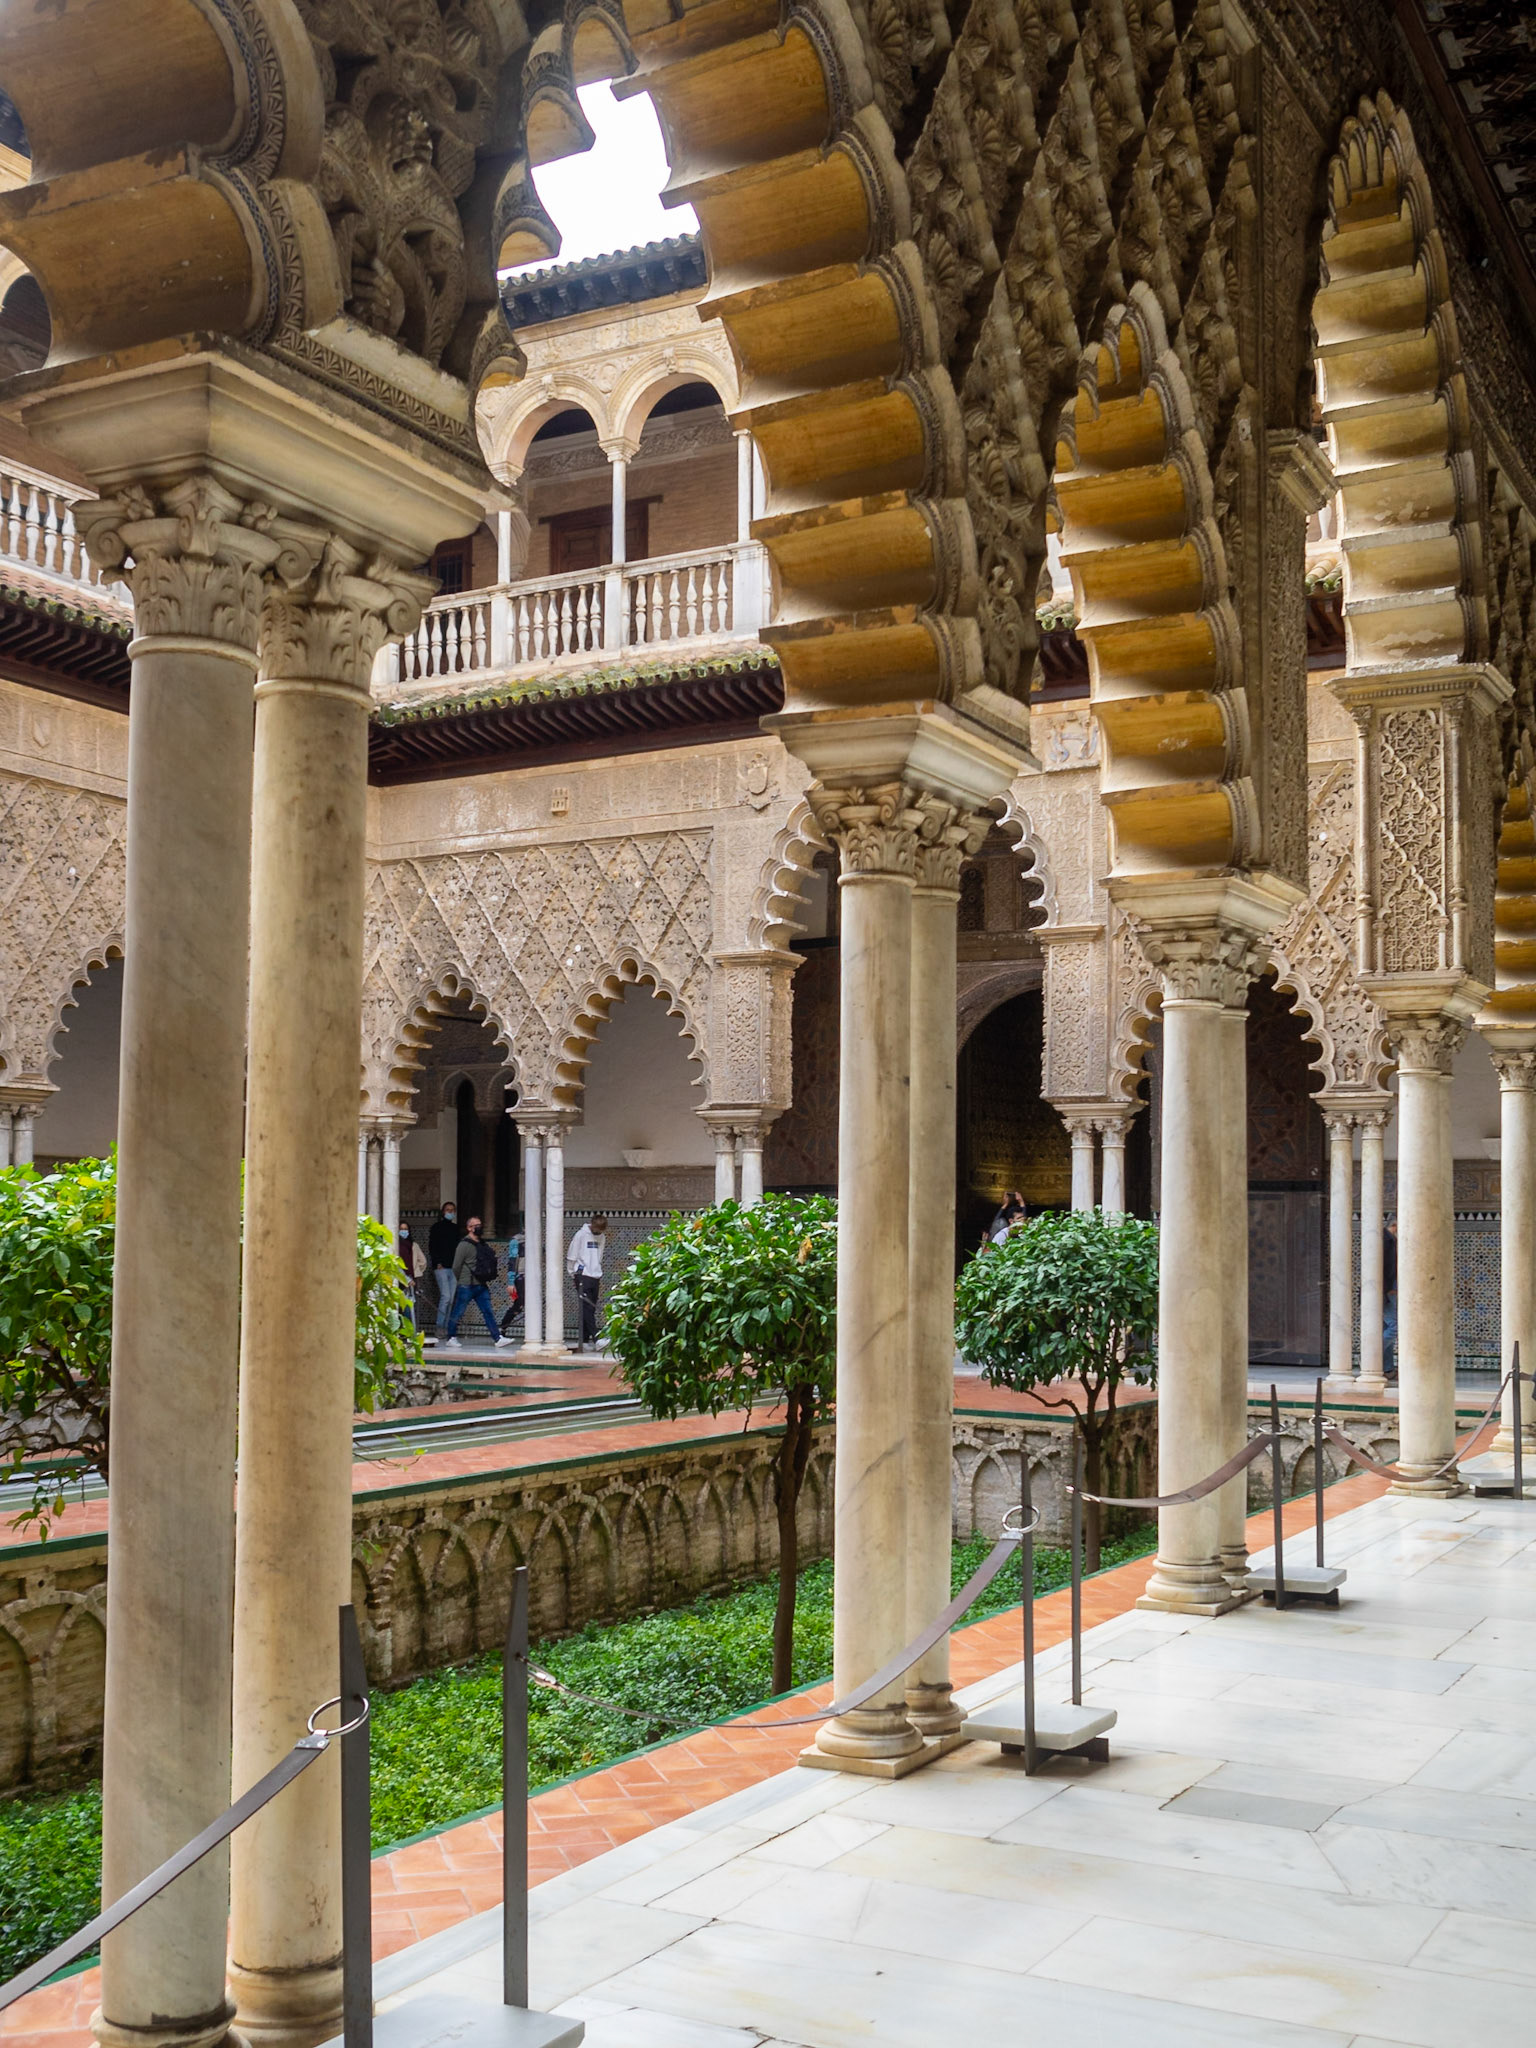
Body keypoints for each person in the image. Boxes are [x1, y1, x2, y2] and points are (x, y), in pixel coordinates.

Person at [444, 1216, 513, 1349]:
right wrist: (462, 1280)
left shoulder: (481, 1243)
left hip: (481, 1284)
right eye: (475, 1225)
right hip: (466, 1285)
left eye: (480, 1224)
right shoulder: (463, 1245)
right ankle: (451, 1337)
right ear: (469, 1228)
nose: (478, 1227)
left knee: (487, 1311)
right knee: (458, 1311)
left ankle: (497, 1338)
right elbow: (456, 1266)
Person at [566, 1213, 608, 1350]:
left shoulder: (601, 1236)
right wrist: (572, 1272)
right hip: (582, 1275)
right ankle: (596, 1338)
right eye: (597, 1230)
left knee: (590, 1308)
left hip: (595, 1275)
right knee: (587, 1308)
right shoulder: (581, 1235)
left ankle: (584, 1340)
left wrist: (596, 1268)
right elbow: (572, 1254)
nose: (598, 1233)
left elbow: (599, 1255)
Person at [427, 1201, 462, 1345]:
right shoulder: (436, 1228)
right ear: (443, 1212)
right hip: (441, 1267)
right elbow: (432, 1246)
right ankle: (440, 1326)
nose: (450, 1212)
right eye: (448, 1210)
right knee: (445, 1297)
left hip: (453, 1268)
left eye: (452, 1210)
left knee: (451, 1298)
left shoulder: (455, 1229)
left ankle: (448, 1327)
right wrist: (438, 1262)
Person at [397, 1222, 427, 1333]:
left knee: (408, 1306)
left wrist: (416, 1272)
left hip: (410, 1280)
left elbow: (423, 1261)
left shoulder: (413, 1245)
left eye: (405, 1229)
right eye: (401, 1229)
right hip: (399, 1278)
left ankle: (408, 1332)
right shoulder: (396, 1244)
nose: (403, 1231)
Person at [498, 1226, 525, 1340]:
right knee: (519, 1304)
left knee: (526, 1305)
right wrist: (510, 1282)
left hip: (532, 1277)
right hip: (520, 1277)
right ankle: (502, 1327)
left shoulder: (537, 1239)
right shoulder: (516, 1240)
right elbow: (512, 1261)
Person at [1382, 1216, 1399, 1385]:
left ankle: (1388, 1370)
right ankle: (1372, 1355)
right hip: (1386, 1293)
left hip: (1387, 1292)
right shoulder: (1386, 1240)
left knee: (1387, 1327)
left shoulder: (1389, 1240)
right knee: (1395, 1327)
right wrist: (1390, 1289)